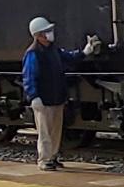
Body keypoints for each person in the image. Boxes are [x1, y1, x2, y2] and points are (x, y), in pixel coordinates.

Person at [22, 16, 101, 171]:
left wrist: (85, 51)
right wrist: (34, 96)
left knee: (56, 130)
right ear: (39, 35)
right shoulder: (33, 54)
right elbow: (29, 77)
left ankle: (52, 157)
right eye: (46, 31)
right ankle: (44, 160)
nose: (50, 33)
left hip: (57, 97)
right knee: (45, 132)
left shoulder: (53, 50)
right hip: (43, 99)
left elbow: (70, 58)